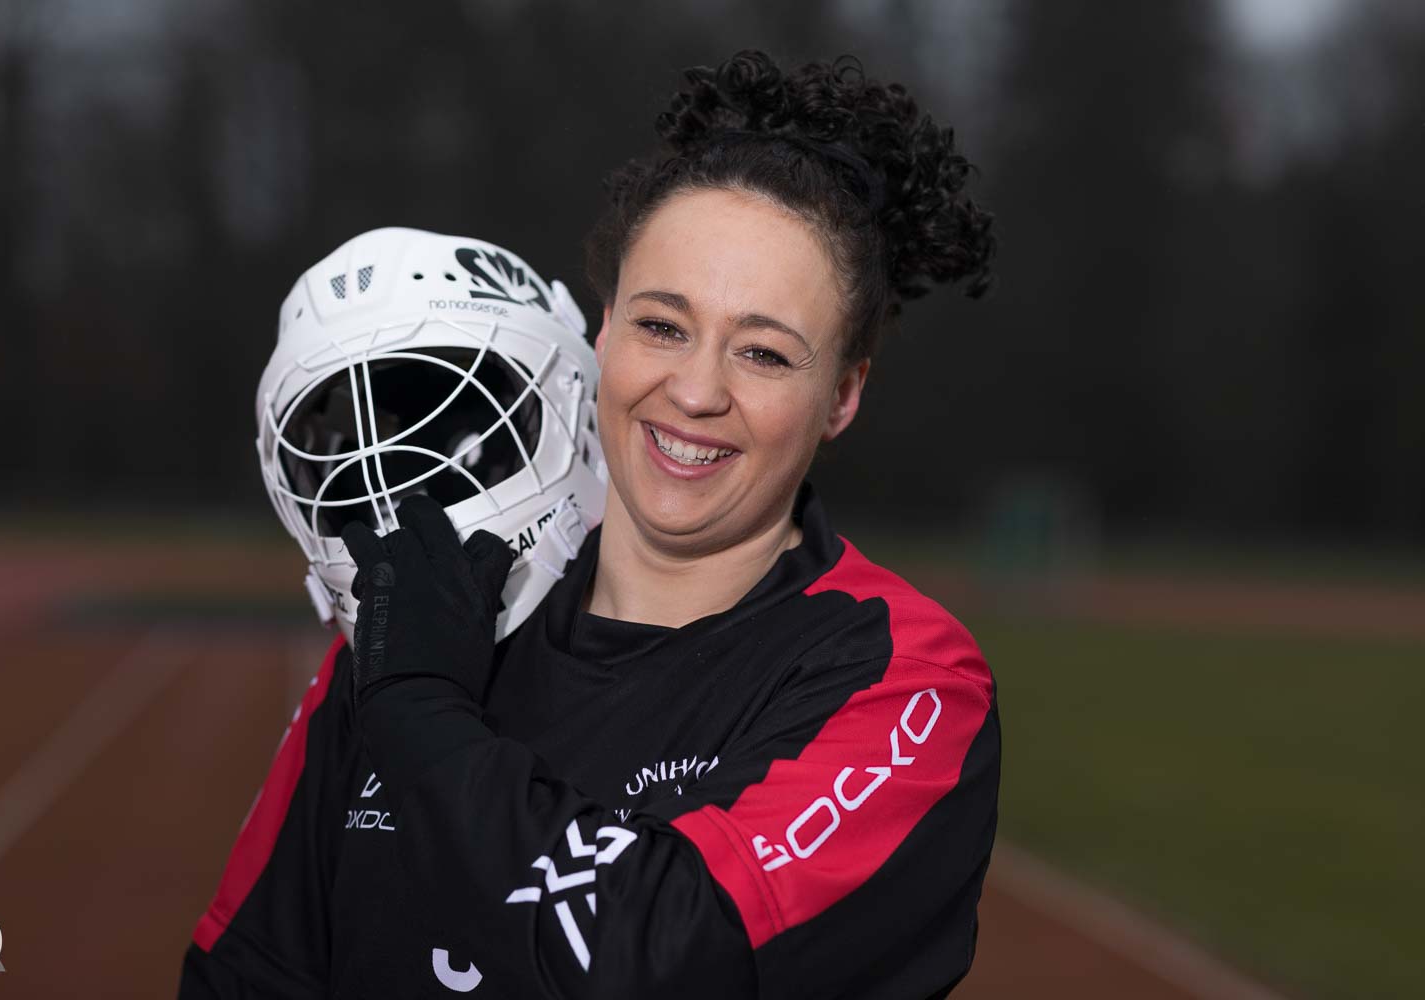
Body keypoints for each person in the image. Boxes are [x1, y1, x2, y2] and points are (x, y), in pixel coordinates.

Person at [179, 48, 999, 999]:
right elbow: (246, 977)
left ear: (843, 396)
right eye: (662, 326)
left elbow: (668, 958)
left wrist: (417, 715)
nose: (696, 391)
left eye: (765, 354)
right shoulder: (422, 624)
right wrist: (403, 685)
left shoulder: (906, 680)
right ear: (604, 331)